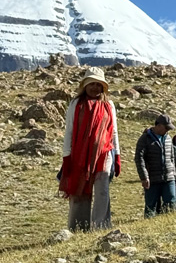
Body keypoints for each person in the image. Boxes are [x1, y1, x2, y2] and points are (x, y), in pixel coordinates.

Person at [59, 67, 121, 231]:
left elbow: (113, 131)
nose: (95, 88)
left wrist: (117, 155)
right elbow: (69, 131)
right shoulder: (76, 104)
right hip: (79, 154)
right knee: (79, 190)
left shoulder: (109, 105)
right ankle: (79, 227)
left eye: (98, 84)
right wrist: (67, 156)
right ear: (85, 85)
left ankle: (101, 226)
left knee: (102, 191)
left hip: (104, 154)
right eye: (91, 84)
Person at [134, 114, 176, 217]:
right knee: (151, 206)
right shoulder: (145, 138)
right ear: (158, 126)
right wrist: (144, 177)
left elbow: (172, 158)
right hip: (152, 179)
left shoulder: (168, 139)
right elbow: (139, 158)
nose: (167, 130)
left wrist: (174, 175)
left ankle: (169, 224)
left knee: (171, 203)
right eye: (166, 128)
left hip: (169, 178)